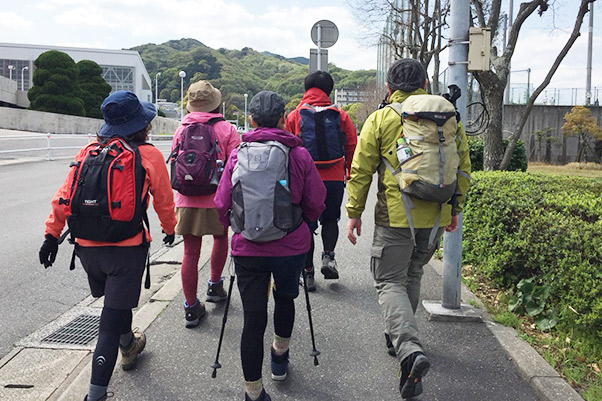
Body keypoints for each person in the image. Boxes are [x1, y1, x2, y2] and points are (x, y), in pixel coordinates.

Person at [38, 90, 177, 401]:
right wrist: (170, 229)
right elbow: (164, 202)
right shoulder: (147, 154)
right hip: (125, 250)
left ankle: (129, 346)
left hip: (87, 249)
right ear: (141, 124)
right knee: (109, 321)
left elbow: (64, 196)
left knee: (117, 303)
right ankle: (95, 394)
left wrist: (51, 236)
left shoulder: (87, 151)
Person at [345, 59, 471, 399]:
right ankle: (400, 337)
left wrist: (353, 212)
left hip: (397, 216)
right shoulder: (448, 118)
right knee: (413, 274)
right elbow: (463, 167)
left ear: (389, 87)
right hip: (434, 216)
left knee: (388, 281)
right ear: (426, 82)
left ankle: (409, 348)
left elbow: (360, 170)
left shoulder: (383, 118)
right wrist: (454, 209)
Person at [215, 91, 326, 401]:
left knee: (253, 319)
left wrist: (236, 228)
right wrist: (306, 223)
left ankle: (253, 392)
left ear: (251, 120)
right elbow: (316, 201)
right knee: (286, 299)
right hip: (290, 247)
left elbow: (222, 202)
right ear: (283, 119)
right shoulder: (299, 154)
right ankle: (279, 355)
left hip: (247, 248)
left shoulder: (238, 153)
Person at [171, 80, 241, 328]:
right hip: (216, 198)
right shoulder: (226, 129)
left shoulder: (181, 129)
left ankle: (190, 308)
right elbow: (235, 166)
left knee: (190, 252)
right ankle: (214, 285)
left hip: (186, 198)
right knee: (221, 239)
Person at [285, 71, 357, 290]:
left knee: (306, 224)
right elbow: (352, 145)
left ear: (306, 89)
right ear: (329, 91)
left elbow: (287, 148)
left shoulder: (295, 116)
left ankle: (307, 273)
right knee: (330, 220)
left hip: (305, 178)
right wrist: (348, 172)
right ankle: (328, 257)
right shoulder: (341, 115)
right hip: (333, 178)